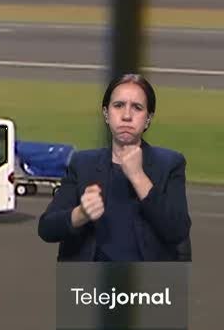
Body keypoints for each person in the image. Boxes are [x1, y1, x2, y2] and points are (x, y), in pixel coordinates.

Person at [38, 74, 191, 262]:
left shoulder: (169, 164)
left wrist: (138, 176)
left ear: (148, 119)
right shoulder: (83, 164)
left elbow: (177, 231)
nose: (127, 116)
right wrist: (81, 214)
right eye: (118, 106)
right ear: (106, 114)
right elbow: (46, 229)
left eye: (137, 107)